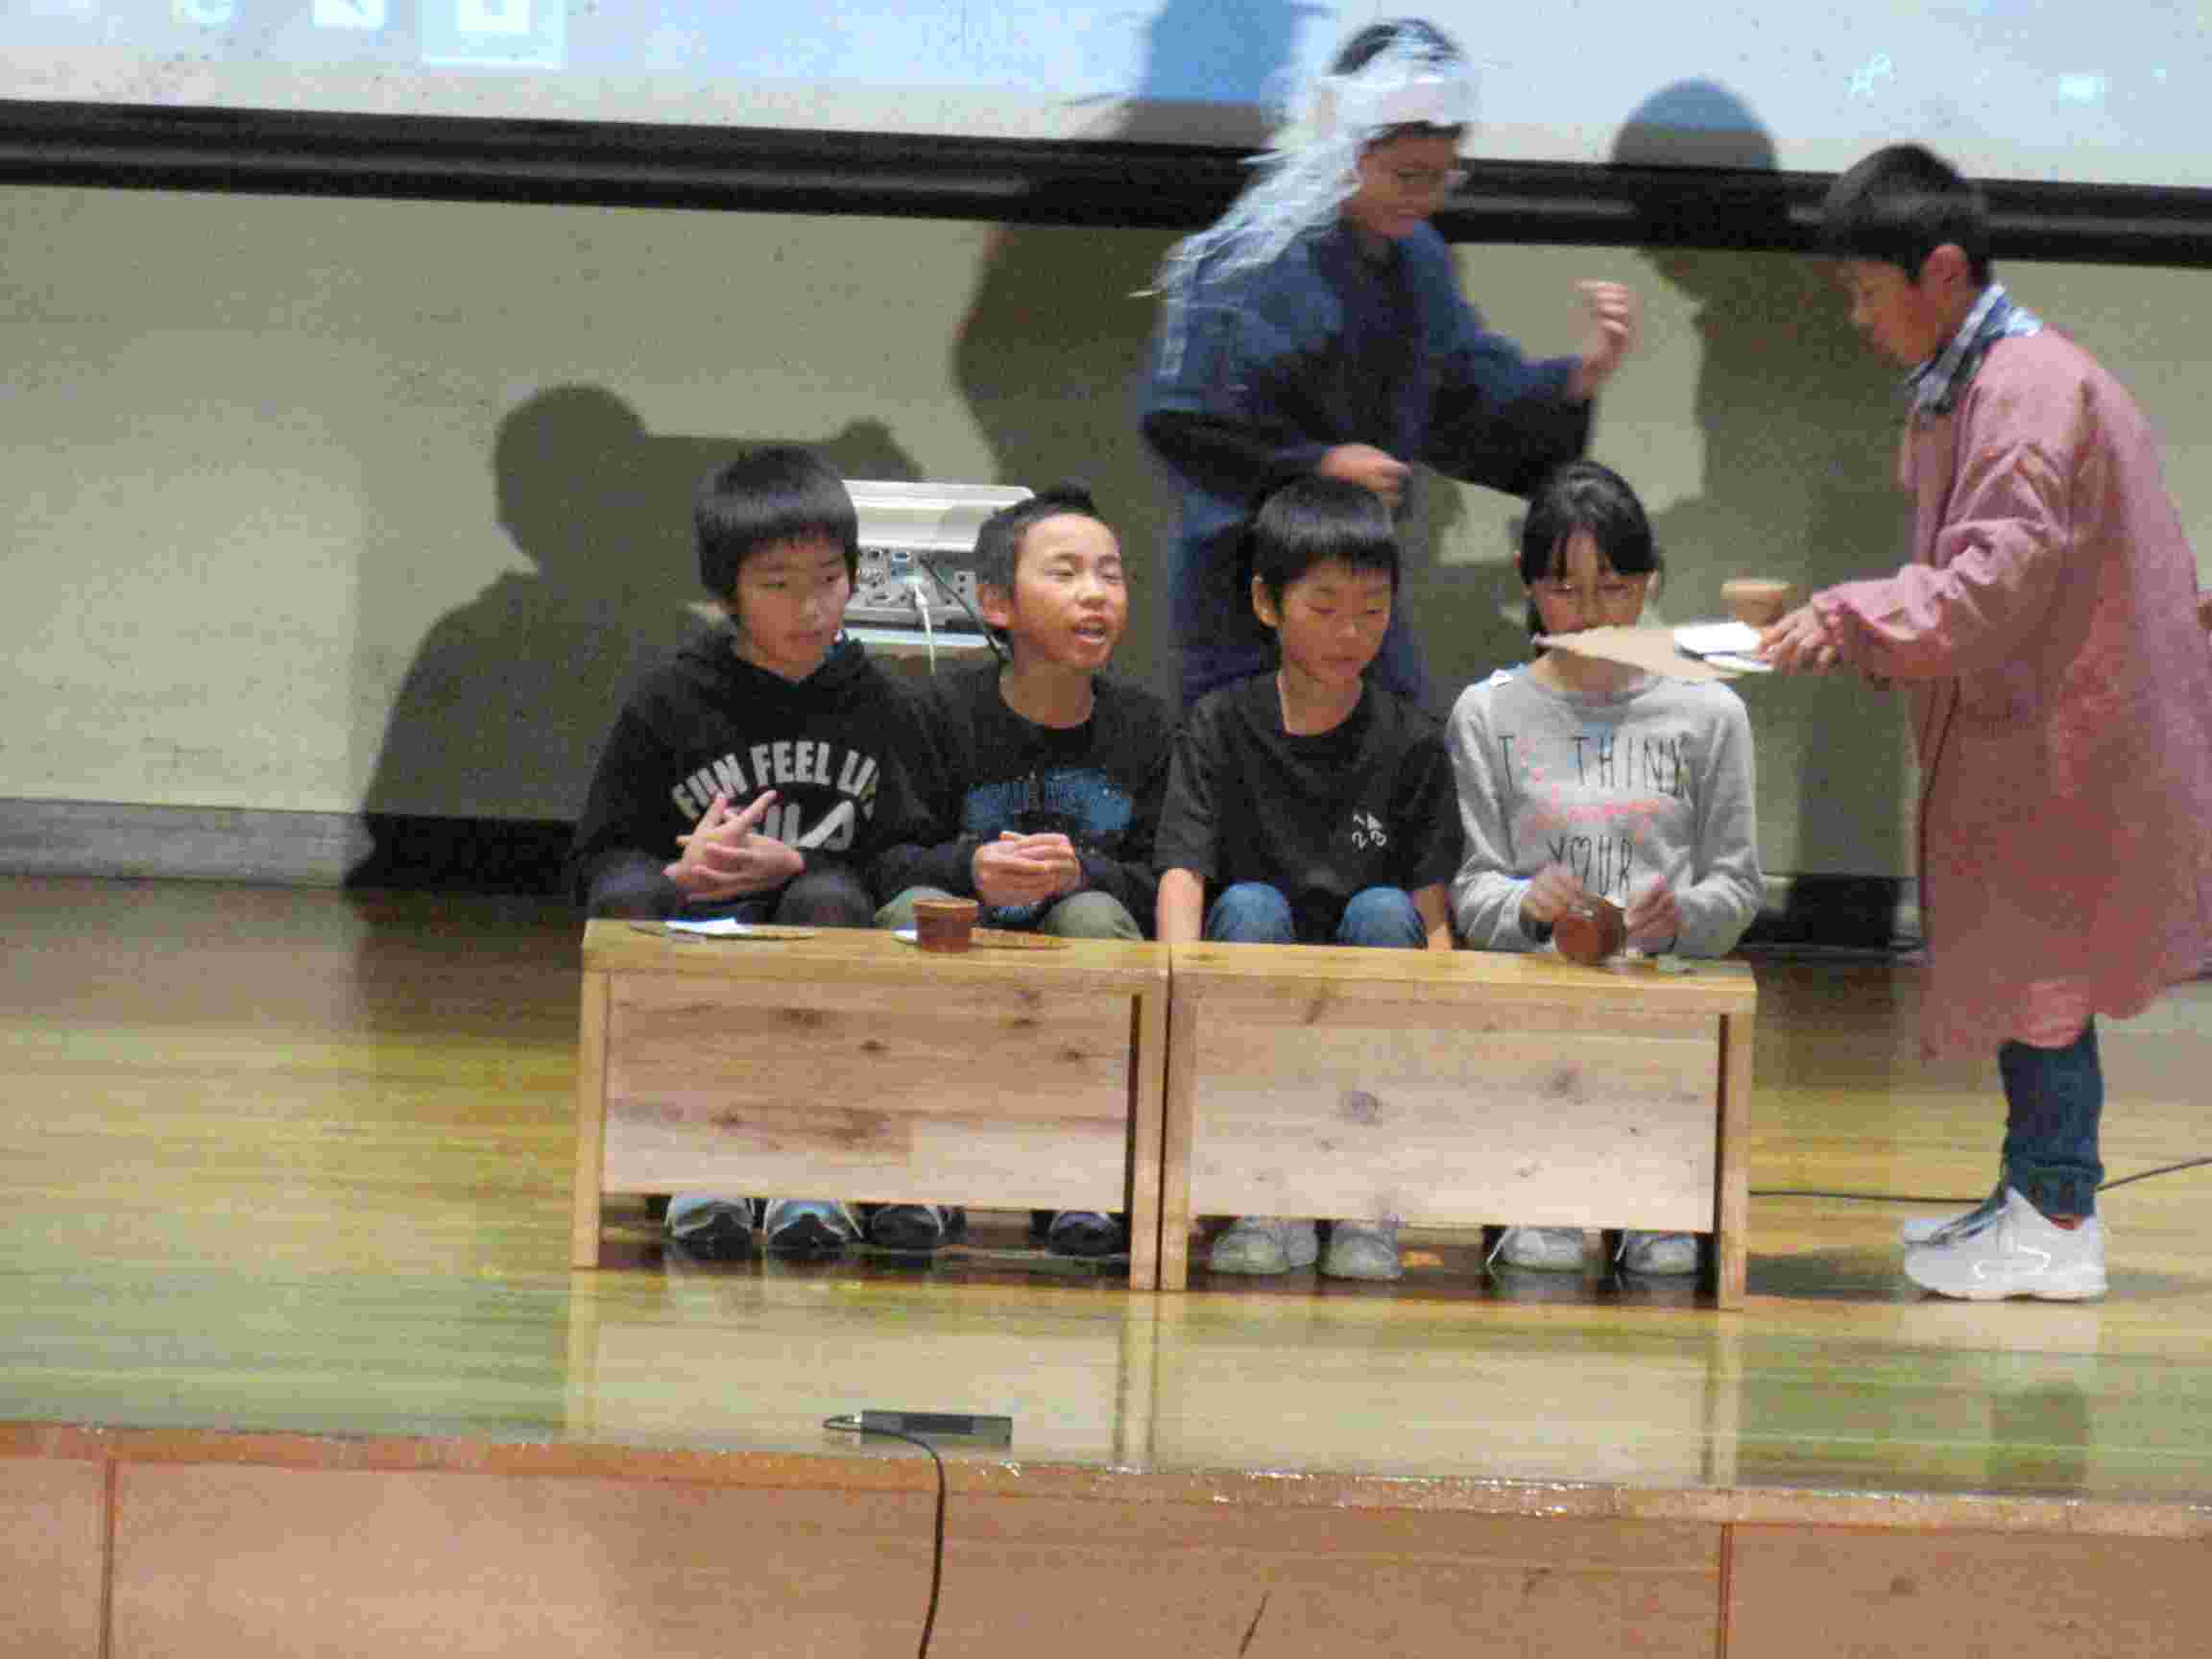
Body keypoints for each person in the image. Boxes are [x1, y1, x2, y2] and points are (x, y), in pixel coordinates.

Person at [1760, 144, 2212, 1301]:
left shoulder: (2023, 390)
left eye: (1868, 292)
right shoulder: (1984, 380)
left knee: (2043, 974)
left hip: (2068, 733)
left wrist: (1851, 617)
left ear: (1945, 271)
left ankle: (2057, 1216)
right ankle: (2030, 1196)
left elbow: (1990, 583)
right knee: (2028, 970)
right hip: (2042, 721)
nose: (1860, 319)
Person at [1139, 15, 1637, 711]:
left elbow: (1465, 394)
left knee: (1393, 753)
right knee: (1253, 759)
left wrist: (1577, 375)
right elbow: (1185, 421)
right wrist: (1317, 467)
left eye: (1442, 177)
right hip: (1249, 591)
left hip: (1363, 588)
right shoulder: (1250, 256)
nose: (1425, 197)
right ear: (1347, 150)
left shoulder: (1419, 257)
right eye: (1407, 176)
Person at [565, 445, 931, 1262]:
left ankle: (814, 1168)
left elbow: (905, 854)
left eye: (830, 579)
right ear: (726, 593)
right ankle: (685, 1162)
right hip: (698, 911)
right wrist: (677, 875)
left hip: (815, 909)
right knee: (627, 899)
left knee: (830, 900)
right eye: (778, 585)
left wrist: (797, 863)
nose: (811, 606)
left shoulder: (878, 701)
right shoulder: (671, 698)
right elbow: (594, 855)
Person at [1445, 460, 1761, 1276]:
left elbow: (1736, 885)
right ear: (1526, 583)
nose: (1590, 613)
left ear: (1652, 581)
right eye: (1564, 589)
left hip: (1658, 1012)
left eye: (1615, 588)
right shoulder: (1487, 712)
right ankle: (1535, 1188)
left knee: (1666, 1266)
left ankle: (1653, 1194)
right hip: (1533, 1014)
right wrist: (1525, 905)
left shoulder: (1711, 712)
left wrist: (1682, 916)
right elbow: (1470, 888)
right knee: (1538, 1260)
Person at [1154, 474, 1462, 1281]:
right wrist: (1175, 988)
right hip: (1253, 978)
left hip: (1365, 976)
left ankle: (1366, 1200)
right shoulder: (1219, 725)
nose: (1349, 632)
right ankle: (1263, 1196)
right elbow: (1184, 869)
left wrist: (1445, 1013)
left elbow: (1428, 901)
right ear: (1267, 603)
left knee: (1384, 909)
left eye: (1372, 610)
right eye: (1324, 608)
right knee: (1251, 905)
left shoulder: (1412, 741)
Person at [874, 483, 1171, 1258]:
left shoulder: (1146, 727)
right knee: (915, 910)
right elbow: (884, 860)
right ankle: (914, 1173)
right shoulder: (934, 713)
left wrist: (1083, 874)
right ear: (996, 603)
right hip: (968, 940)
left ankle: (1084, 1180)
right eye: (1066, 573)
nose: (1096, 594)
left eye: (1111, 574)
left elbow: (1164, 879)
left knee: (1095, 918)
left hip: (1077, 945)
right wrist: (971, 867)